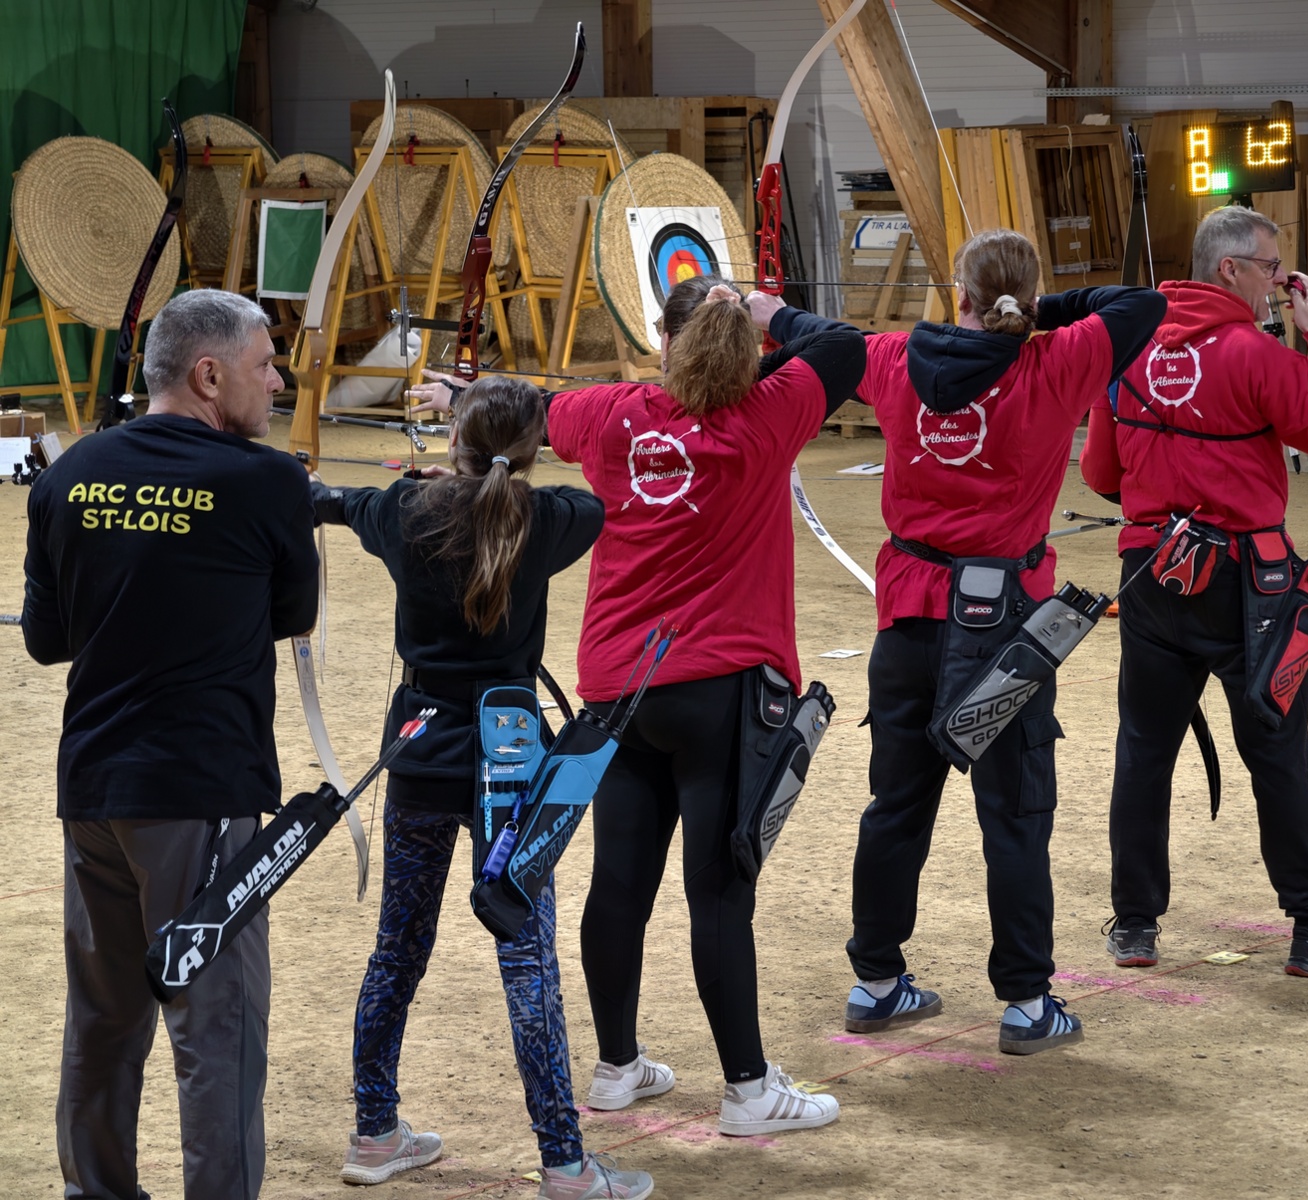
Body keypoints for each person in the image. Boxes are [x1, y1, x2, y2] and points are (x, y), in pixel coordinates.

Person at [314, 376, 652, 1198]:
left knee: (398, 948)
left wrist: (436, 489)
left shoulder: (405, 510)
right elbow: (595, 501)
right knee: (526, 956)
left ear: (455, 444)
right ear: (530, 451)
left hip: (424, 750)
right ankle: (564, 1164)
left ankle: (374, 1133)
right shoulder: (552, 517)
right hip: (510, 759)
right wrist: (491, 483)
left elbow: (328, 501)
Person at [543, 277, 865, 1136]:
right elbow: (843, 346)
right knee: (718, 893)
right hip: (716, 690)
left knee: (620, 883)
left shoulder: (609, 413)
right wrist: (764, 313)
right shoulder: (769, 410)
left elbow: (531, 413)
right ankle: (747, 1091)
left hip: (618, 689)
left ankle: (616, 1068)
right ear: (749, 351)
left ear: (662, 340)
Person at [841, 227, 1167, 1055]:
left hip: (910, 620)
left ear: (957, 296)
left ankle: (875, 984)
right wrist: (1039, 313)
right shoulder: (1053, 361)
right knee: (1014, 817)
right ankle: (1024, 1004)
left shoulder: (893, 359)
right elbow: (1141, 303)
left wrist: (764, 312)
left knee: (895, 805)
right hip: (1003, 629)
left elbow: (814, 338)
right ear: (1026, 298)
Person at [23, 289, 315, 1200]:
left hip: (94, 790)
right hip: (199, 792)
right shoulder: (267, 481)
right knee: (216, 1027)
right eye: (265, 364)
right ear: (209, 375)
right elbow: (292, 614)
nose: (278, 382)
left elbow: (46, 639)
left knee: (103, 1016)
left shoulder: (71, 473)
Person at [1079, 204, 1308, 978]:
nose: (1278, 282)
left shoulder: (1128, 348)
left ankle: (1134, 924)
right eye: (1270, 268)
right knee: (1275, 753)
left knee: (1143, 751)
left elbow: (1100, 473)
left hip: (1152, 573)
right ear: (1229, 268)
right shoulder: (1257, 353)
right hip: (1249, 585)